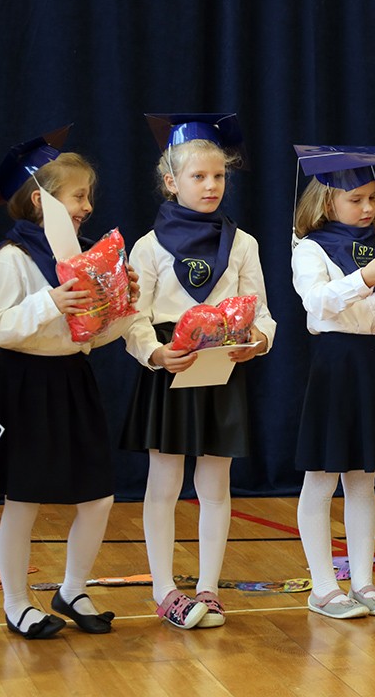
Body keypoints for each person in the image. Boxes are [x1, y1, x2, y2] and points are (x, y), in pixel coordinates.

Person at [122, 113, 274, 628]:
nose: (211, 185)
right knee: (164, 482)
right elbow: (133, 317)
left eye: (219, 176)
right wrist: (155, 352)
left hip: (221, 369)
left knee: (215, 483)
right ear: (171, 181)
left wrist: (259, 341)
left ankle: (208, 587)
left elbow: (261, 310)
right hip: (171, 367)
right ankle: (164, 589)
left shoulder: (243, 243)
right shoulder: (148, 246)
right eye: (198, 176)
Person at [0, 129, 137, 639]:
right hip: (24, 384)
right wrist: (48, 302)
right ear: (42, 201)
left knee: (98, 496)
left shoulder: (83, 259)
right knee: (23, 499)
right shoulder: (12, 258)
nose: (88, 207)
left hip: (72, 380)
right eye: (79, 196)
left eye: (88, 196)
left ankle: (72, 589)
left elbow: (91, 337)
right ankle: (17, 603)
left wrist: (122, 307)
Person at [291, 146, 375, 619]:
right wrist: (365, 279)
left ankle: (364, 582)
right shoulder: (310, 248)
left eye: (373, 198)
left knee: (364, 479)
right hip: (337, 363)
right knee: (322, 476)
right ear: (327, 201)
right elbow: (316, 302)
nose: (368, 207)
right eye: (356, 199)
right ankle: (322, 587)